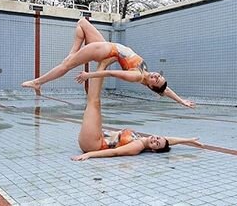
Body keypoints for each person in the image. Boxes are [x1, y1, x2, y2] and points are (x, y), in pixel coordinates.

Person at [21, 18, 195, 108]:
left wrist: (90, 75)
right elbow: (164, 90)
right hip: (109, 47)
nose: (157, 76)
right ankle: (71, 54)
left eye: (156, 80)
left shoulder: (137, 76)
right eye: (160, 76)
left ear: (150, 85)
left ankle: (37, 82)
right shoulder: (147, 73)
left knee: (67, 65)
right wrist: (180, 100)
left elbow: (111, 73)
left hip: (106, 51)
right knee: (82, 23)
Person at [71, 62, 202, 161]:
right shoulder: (144, 139)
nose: (155, 140)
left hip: (93, 144)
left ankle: (103, 64)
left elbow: (114, 153)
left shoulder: (137, 146)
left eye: (156, 144)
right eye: (158, 138)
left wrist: (88, 155)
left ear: (153, 150)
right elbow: (168, 140)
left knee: (94, 102)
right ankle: (102, 63)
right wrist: (188, 140)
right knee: (94, 102)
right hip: (97, 137)